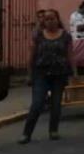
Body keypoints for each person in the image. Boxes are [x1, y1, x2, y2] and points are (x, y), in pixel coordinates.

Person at [19, 9, 77, 144]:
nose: (50, 22)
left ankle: (53, 130)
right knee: (37, 104)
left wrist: (74, 73)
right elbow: (31, 56)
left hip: (59, 74)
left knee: (56, 104)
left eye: (53, 19)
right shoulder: (38, 35)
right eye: (47, 19)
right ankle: (26, 133)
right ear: (43, 22)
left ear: (58, 20)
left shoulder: (66, 36)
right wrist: (29, 74)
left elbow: (70, 55)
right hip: (41, 74)